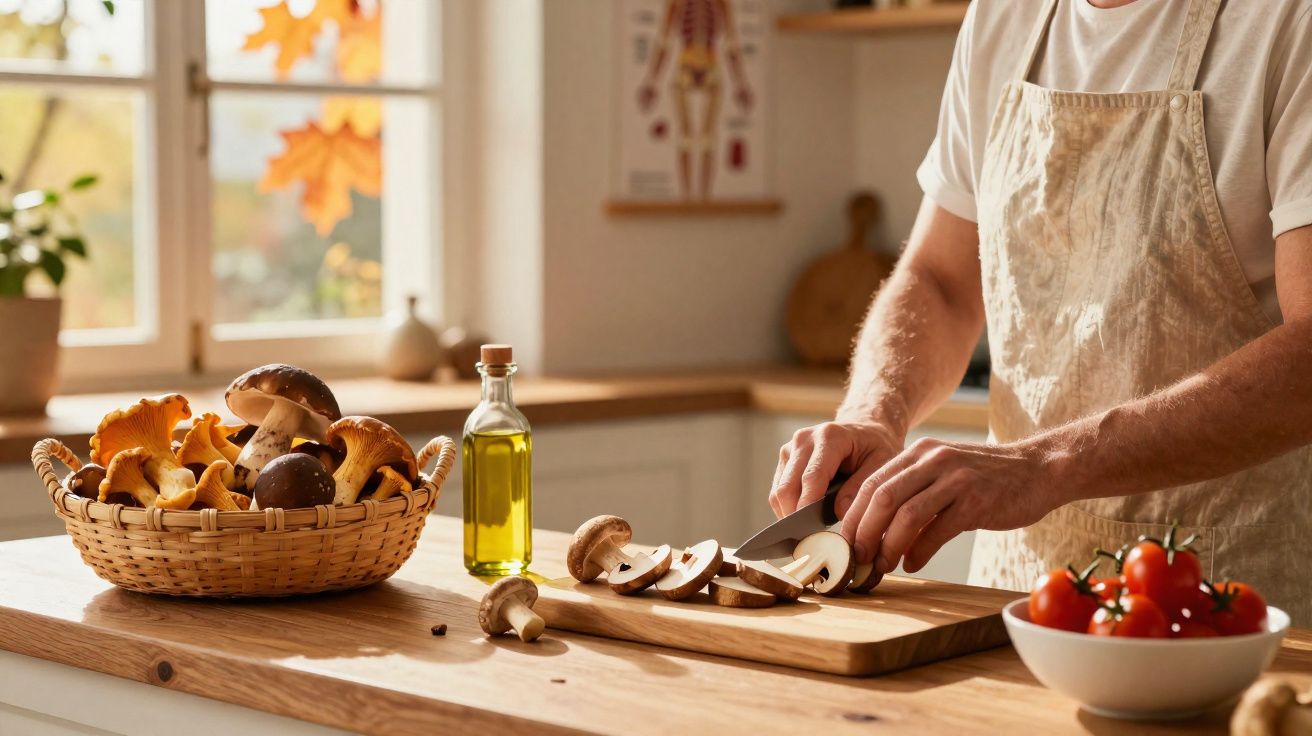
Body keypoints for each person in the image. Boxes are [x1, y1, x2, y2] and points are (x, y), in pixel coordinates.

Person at [770, 0, 1312, 624]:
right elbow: (941, 279)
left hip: (1223, 603)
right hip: (1014, 595)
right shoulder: (1002, 17)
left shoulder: (1285, 21)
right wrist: (875, 414)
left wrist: (1043, 466)